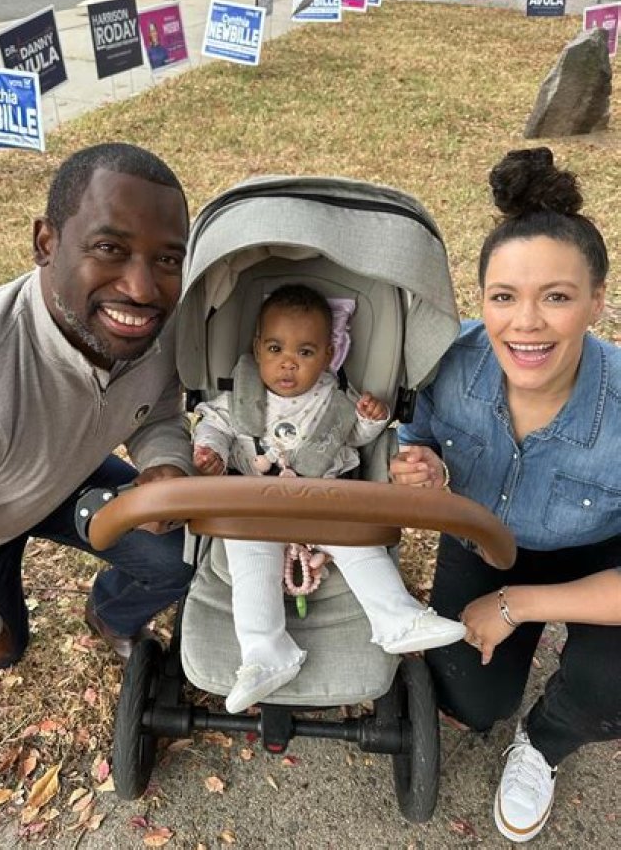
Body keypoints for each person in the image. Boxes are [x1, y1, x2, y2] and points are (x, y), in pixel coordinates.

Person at [391, 147, 621, 843]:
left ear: (595, 302)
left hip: (597, 553)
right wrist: (418, 465)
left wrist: (521, 604)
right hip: (481, 536)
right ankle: (506, 680)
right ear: (480, 299)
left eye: (556, 296)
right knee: (467, 697)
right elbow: (411, 435)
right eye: (503, 297)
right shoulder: (446, 360)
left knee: (608, 687)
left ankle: (546, 740)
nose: (525, 323)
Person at [0, 143, 195, 669]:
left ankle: (110, 614)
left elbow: (163, 411)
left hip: (65, 475)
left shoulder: (163, 328)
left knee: (180, 558)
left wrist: (163, 464)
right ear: (46, 242)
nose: (142, 289)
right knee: (2, 650)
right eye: (109, 248)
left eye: (168, 259)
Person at [193, 284, 466, 713]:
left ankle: (395, 617)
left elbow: (355, 437)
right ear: (257, 348)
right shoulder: (238, 397)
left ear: (327, 356)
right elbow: (213, 425)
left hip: (326, 499)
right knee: (249, 561)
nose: (288, 362)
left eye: (305, 352)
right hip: (254, 505)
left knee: (359, 545)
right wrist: (209, 452)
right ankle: (266, 653)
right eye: (275, 348)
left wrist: (368, 420)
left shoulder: (334, 398)